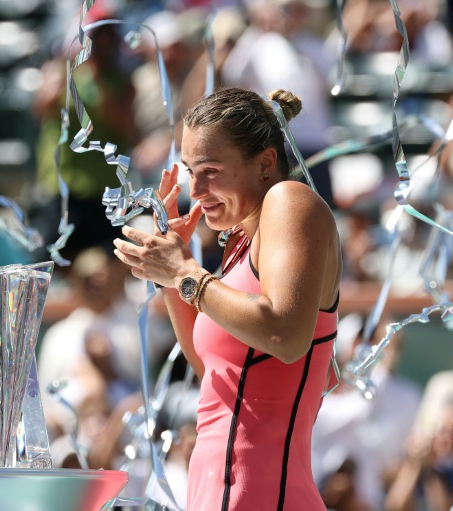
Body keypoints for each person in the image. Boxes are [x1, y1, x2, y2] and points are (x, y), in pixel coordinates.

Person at [112, 87, 342, 510]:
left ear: (266, 164)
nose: (195, 189)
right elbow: (218, 374)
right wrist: (168, 278)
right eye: (188, 171)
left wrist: (187, 274)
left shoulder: (290, 201)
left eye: (211, 170)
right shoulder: (240, 241)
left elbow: (285, 336)